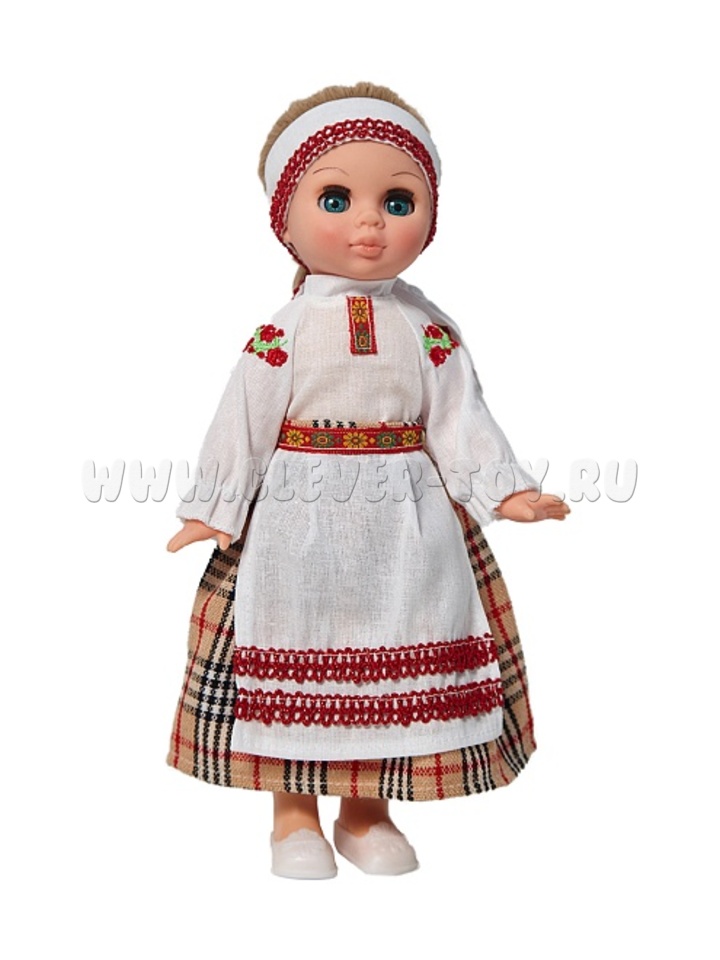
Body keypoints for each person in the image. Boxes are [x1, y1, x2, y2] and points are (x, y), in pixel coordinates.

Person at [167, 82, 569, 879]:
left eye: (397, 201)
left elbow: (459, 418)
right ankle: (292, 818)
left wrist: (503, 490)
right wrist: (215, 505)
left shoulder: (428, 328)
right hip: (295, 522)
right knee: (292, 645)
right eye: (336, 198)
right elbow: (242, 417)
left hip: (409, 526)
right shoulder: (284, 333)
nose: (369, 223)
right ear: (284, 218)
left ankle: (365, 813)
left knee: (393, 644)